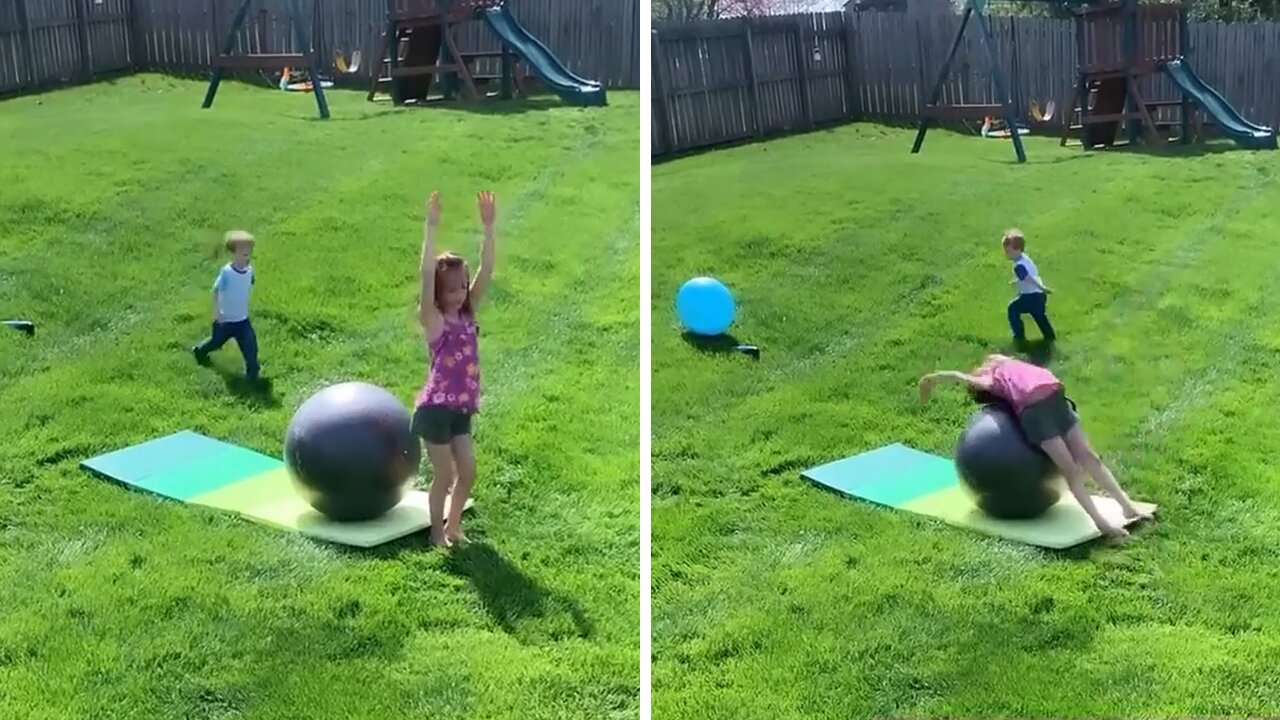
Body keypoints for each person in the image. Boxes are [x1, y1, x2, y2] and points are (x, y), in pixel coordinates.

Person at [918, 354, 1151, 538]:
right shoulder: (989, 381)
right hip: (1037, 415)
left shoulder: (1003, 362)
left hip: (1058, 403)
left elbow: (996, 358)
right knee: (1071, 470)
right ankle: (1102, 525)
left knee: (1091, 458)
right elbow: (960, 377)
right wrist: (931, 379)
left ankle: (1127, 506)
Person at [412, 190, 496, 547]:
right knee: (444, 474)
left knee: (468, 471)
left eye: (462, 287)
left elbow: (487, 269)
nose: (460, 293)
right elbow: (426, 272)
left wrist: (489, 228)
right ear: (437, 294)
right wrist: (431, 228)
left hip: (461, 408)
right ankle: (436, 533)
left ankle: (453, 527)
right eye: (451, 290)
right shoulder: (433, 321)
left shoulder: (467, 313)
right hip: (434, 410)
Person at [193, 231, 260, 382]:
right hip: (225, 320)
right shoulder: (227, 272)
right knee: (216, 342)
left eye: (249, 254)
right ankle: (200, 351)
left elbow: (248, 283)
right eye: (244, 254)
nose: (247, 258)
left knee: (251, 348)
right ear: (234, 253)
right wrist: (217, 315)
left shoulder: (249, 271)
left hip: (242, 320)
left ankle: (253, 376)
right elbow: (216, 291)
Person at [1002, 228, 1056, 346]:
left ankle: (1019, 337)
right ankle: (1050, 336)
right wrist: (1017, 281)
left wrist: (1042, 287)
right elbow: (1028, 275)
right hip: (1038, 296)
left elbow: (1028, 278)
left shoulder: (1018, 266)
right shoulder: (1025, 258)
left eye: (1008, 251)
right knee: (1039, 316)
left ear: (1017, 250)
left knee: (1013, 309)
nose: (1006, 254)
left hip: (1031, 296)